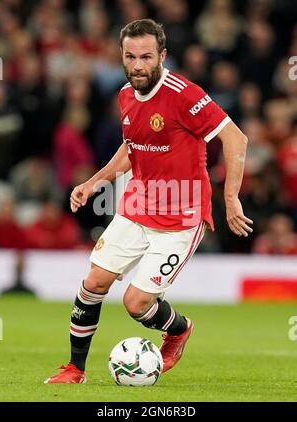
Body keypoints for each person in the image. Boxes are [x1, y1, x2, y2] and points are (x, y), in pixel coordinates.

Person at [45, 19, 253, 384]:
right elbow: (131, 146)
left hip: (181, 217)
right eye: (130, 57)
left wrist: (231, 198)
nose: (138, 65)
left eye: (145, 57)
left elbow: (236, 139)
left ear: (162, 56)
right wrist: (95, 182)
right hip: (138, 205)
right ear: (122, 56)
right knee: (94, 282)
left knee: (136, 304)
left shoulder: (184, 94)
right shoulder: (126, 94)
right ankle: (75, 370)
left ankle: (179, 329)